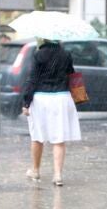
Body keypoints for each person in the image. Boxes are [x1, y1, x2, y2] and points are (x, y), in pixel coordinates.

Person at [22, 38, 81, 186]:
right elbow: (71, 75)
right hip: (61, 98)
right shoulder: (66, 54)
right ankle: (58, 175)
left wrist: (26, 102)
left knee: (37, 137)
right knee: (59, 138)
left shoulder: (39, 54)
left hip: (41, 98)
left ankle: (35, 171)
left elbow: (32, 79)